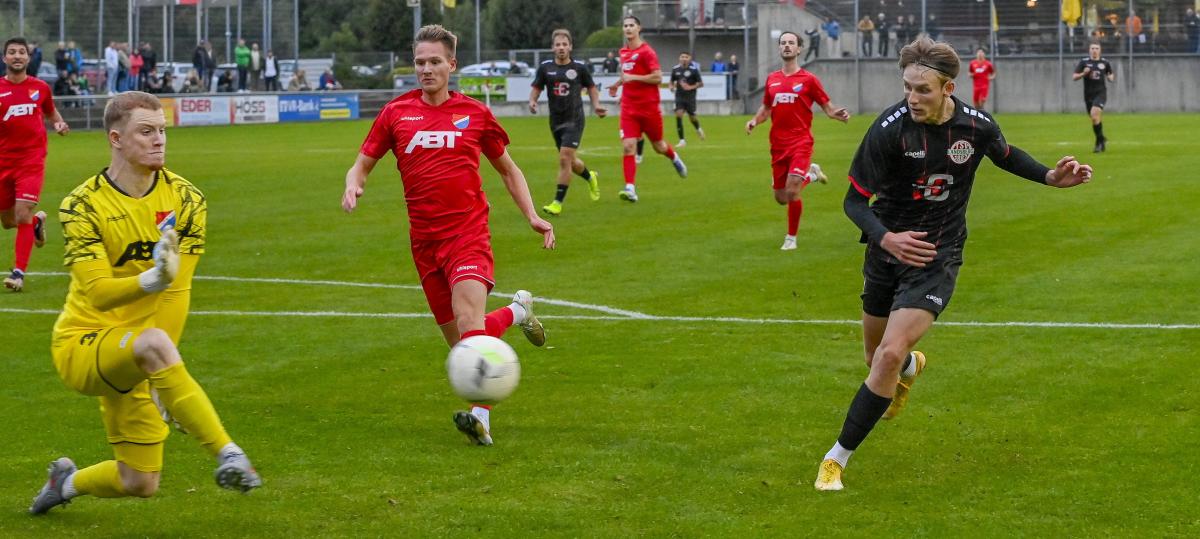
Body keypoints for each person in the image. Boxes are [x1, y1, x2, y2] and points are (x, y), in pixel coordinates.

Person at [813, 37, 1093, 492]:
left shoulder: (975, 126)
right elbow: (853, 202)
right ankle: (908, 368)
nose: (912, 98)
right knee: (875, 357)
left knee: (884, 355)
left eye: (922, 89)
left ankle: (835, 459)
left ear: (948, 87)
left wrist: (1049, 177)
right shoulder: (889, 129)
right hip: (887, 250)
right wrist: (887, 238)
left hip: (937, 254)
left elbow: (1005, 155)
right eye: (907, 87)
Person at [28, 91, 262, 515]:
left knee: (139, 480)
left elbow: (177, 291)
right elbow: (98, 291)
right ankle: (228, 453)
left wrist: (157, 372)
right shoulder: (81, 205)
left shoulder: (188, 200)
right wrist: (151, 279)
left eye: (162, 131)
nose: (159, 141)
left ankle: (65, 484)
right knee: (152, 342)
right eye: (146, 132)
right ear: (115, 138)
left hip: (142, 351)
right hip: (84, 342)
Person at [342, 25, 554, 447]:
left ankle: (481, 419)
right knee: (463, 346)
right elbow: (361, 163)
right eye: (420, 62)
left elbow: (508, 169)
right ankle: (517, 310)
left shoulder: (475, 114)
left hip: (468, 234)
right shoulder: (395, 114)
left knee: (471, 322)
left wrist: (532, 214)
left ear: (451, 65)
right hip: (424, 243)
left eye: (434, 61)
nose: (426, 69)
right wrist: (354, 184)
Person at [745, 31, 849, 251]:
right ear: (780, 48)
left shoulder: (809, 80)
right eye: (783, 43)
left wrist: (836, 113)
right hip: (778, 145)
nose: (787, 46)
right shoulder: (772, 79)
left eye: (791, 43)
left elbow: (827, 106)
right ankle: (811, 174)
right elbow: (765, 108)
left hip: (801, 142)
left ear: (799, 49)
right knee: (781, 198)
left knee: (792, 192)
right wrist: (755, 121)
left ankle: (791, 238)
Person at [1, 37, 69, 292]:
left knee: (21, 214)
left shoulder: (40, 88)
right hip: (3, 162)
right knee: (8, 222)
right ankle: (37, 224)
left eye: (21, 52)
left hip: (31, 160)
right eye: (12, 52)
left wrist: (59, 124)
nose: (17, 56)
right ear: (5, 58)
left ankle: (18, 274)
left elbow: (51, 112)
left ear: (28, 58)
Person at [608, 15, 688, 203]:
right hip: (629, 108)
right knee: (628, 146)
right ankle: (630, 189)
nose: (628, 28)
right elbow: (626, 75)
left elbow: (658, 78)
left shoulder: (647, 52)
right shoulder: (623, 52)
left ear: (639, 28)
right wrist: (618, 84)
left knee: (659, 146)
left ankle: (674, 157)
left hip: (649, 108)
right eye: (625, 25)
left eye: (631, 25)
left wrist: (633, 78)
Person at [528, 29, 606, 216]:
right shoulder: (545, 68)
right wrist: (532, 101)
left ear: (570, 46)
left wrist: (596, 105)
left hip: (575, 119)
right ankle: (590, 176)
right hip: (555, 121)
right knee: (571, 161)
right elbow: (536, 87)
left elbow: (592, 88)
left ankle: (557, 202)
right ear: (552, 47)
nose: (561, 48)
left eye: (565, 44)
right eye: (558, 44)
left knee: (564, 158)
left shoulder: (579, 68)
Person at [1072, 42, 1114, 153]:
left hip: (1100, 93)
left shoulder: (1105, 62)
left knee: (1094, 115)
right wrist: (1083, 74)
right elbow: (1074, 77)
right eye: (1092, 48)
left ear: (1100, 50)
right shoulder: (1084, 62)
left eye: (1096, 48)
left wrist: (1110, 77)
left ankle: (1098, 143)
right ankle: (1101, 140)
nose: (1094, 50)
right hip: (1088, 95)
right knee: (1095, 119)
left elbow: (1110, 74)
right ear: (1089, 50)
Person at [668, 51, 705, 148]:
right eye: (682, 56)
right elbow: (671, 81)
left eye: (686, 57)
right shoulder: (675, 69)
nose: (684, 58)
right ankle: (682, 140)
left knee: (692, 117)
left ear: (689, 59)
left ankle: (698, 128)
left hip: (690, 97)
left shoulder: (694, 70)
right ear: (679, 58)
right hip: (679, 96)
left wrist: (690, 87)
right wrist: (671, 87)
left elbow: (701, 83)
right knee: (679, 114)